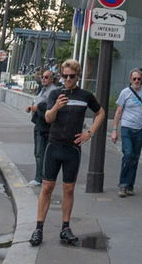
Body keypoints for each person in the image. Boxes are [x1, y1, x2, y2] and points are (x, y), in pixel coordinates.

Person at [30, 59, 104, 246]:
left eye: (72, 76)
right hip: (53, 146)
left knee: (68, 188)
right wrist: (56, 107)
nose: (68, 79)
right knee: (47, 187)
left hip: (72, 149)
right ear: (61, 76)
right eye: (65, 76)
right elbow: (47, 118)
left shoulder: (85, 95)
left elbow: (101, 113)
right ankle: (39, 228)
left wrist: (90, 133)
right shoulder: (55, 94)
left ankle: (65, 227)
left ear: (77, 76)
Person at [110, 68, 142, 196]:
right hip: (127, 127)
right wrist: (114, 130)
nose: (136, 81)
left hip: (140, 128)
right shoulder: (125, 92)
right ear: (130, 80)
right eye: (134, 79)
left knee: (135, 157)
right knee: (128, 154)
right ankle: (122, 185)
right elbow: (118, 111)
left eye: (139, 79)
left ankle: (130, 185)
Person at [25, 69, 59, 180]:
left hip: (45, 126)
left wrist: (38, 108)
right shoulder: (43, 90)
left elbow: (49, 107)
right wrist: (32, 107)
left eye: (46, 77)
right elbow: (39, 102)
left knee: (40, 153)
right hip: (39, 123)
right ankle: (40, 176)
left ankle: (40, 178)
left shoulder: (53, 91)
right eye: (42, 77)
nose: (43, 79)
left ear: (52, 79)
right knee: (38, 152)